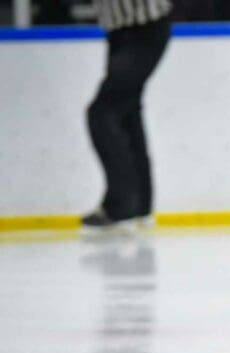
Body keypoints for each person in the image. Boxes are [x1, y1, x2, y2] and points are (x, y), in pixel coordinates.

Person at [82, 0, 173, 234]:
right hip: (120, 31)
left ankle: (121, 205)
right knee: (126, 112)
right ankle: (141, 206)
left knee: (102, 112)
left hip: (147, 27)